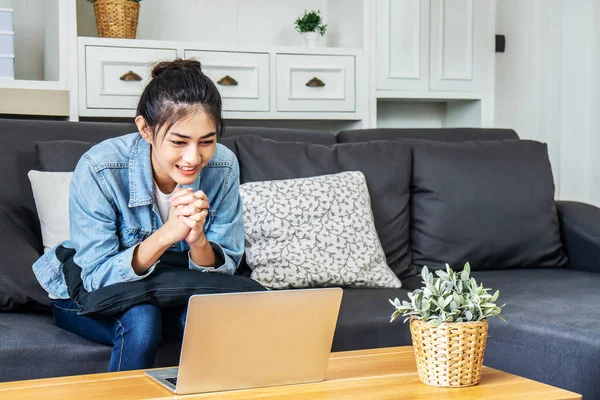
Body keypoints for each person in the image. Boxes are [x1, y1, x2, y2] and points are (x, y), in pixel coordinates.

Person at [32, 59, 245, 372]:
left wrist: (197, 241)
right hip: (87, 291)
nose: (193, 157)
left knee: (204, 319)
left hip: (170, 288)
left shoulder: (223, 166)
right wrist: (166, 235)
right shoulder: (100, 168)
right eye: (179, 141)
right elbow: (94, 278)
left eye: (207, 141)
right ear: (146, 129)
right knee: (142, 321)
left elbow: (225, 269)